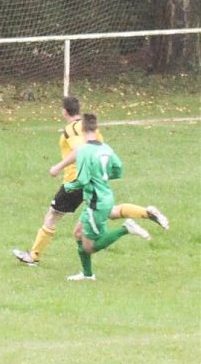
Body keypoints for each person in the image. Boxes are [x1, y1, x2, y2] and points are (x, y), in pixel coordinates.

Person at [12, 96, 168, 266]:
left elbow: (80, 149)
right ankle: (146, 213)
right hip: (95, 177)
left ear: (64, 111)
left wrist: (58, 167)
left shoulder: (71, 129)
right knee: (106, 211)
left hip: (77, 178)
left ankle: (33, 256)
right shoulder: (89, 127)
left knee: (52, 216)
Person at [65, 114, 164, 281]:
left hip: (96, 203)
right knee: (77, 233)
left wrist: (69, 186)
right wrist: (102, 176)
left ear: (82, 130)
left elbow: (82, 180)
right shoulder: (106, 148)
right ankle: (87, 274)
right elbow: (118, 169)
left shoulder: (83, 151)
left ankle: (126, 228)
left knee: (89, 247)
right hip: (105, 196)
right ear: (96, 129)